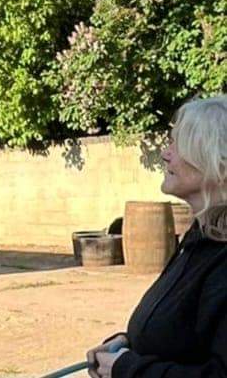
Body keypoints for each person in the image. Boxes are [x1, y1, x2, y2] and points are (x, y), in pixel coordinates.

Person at [87, 95, 227, 378]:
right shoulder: (201, 237)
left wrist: (128, 368)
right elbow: (182, 331)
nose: (165, 153)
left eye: (179, 144)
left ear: (218, 161)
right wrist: (128, 343)